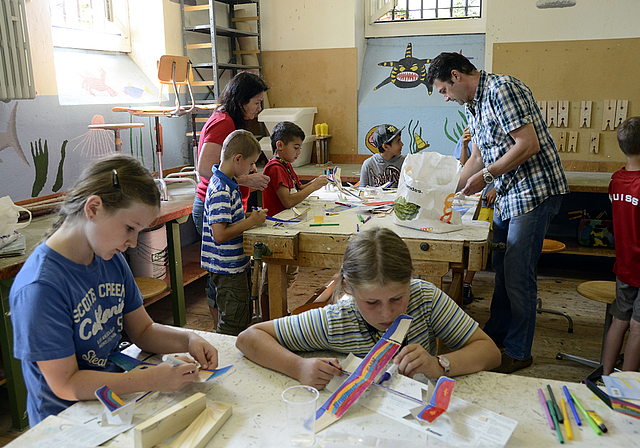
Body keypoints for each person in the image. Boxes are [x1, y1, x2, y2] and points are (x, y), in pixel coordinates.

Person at [9, 154, 218, 426]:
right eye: (130, 228)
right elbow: (66, 384)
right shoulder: (41, 287)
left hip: (113, 401)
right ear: (93, 208)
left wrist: (188, 340)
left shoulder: (109, 257)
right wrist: (148, 380)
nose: (132, 243)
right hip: (66, 422)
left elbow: (143, 330)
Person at [427, 52, 569, 374]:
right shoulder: (474, 107)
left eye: (444, 91)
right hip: (510, 196)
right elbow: (476, 158)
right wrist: (444, 194)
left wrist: (488, 177)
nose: (446, 98)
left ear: (456, 76)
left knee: (518, 274)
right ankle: (497, 335)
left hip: (534, 192)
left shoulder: (502, 89)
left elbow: (527, 144)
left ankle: (519, 352)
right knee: (502, 269)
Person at [236, 227, 501, 390]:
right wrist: (299, 367)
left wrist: (440, 364)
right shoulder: (337, 319)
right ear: (349, 289)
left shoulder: (425, 299)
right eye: (372, 303)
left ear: (410, 280)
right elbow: (249, 338)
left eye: (397, 298)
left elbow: (490, 352)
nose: (386, 314)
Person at [192, 71, 270, 329]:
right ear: (241, 100)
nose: (259, 109)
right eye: (256, 102)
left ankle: (226, 325)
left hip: (226, 206)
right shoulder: (224, 123)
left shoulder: (232, 120)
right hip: (210, 206)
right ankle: (223, 330)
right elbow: (204, 167)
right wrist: (246, 179)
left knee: (226, 284)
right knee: (220, 280)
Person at [201, 129, 268, 335]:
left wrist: (248, 217)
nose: (251, 169)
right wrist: (251, 222)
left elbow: (229, 220)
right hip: (227, 268)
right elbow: (220, 234)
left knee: (240, 315)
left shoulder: (228, 183)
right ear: (237, 158)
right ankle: (225, 359)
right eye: (250, 164)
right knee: (233, 322)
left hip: (233, 266)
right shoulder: (221, 188)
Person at [602, 116, 640, 375]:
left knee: (620, 319)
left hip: (624, 265)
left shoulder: (616, 179)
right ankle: (626, 387)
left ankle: (605, 375)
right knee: (638, 327)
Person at [453, 126, 496, 306]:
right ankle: (457, 278)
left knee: (477, 237)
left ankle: (467, 282)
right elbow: (462, 167)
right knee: (458, 231)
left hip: (489, 197)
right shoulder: (470, 140)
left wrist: (495, 189)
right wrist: (464, 146)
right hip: (468, 195)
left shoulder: (495, 140)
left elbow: (505, 168)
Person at [262, 121, 330, 217]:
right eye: (296, 148)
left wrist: (316, 182)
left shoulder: (286, 164)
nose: (299, 152)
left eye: (300, 148)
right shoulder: (275, 168)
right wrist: (313, 186)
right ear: (280, 145)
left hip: (288, 217)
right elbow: (288, 201)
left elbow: (298, 189)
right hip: (277, 221)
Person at [360, 124, 406, 188]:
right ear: (385, 146)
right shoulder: (368, 164)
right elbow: (362, 191)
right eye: (398, 141)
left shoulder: (405, 162)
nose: (402, 144)